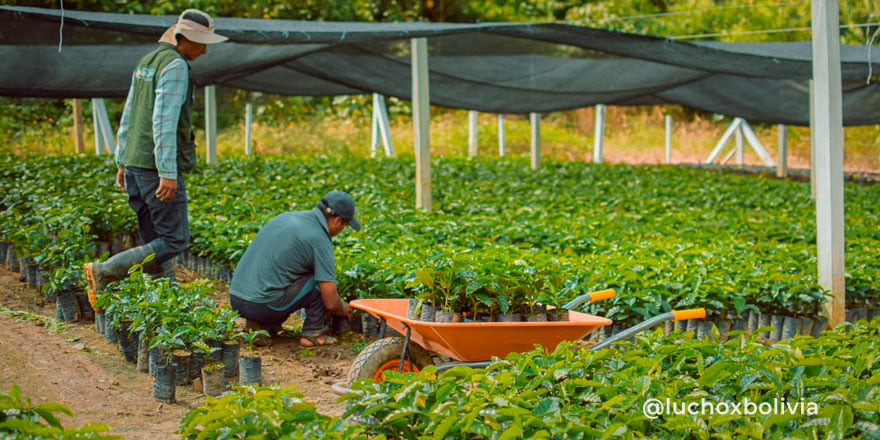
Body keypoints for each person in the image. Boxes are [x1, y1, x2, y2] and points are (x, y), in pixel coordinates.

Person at [84, 9, 227, 306]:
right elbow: (163, 122)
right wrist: (168, 172)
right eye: (201, 43)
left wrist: (122, 162)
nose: (204, 50)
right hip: (153, 168)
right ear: (183, 38)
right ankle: (105, 271)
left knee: (155, 242)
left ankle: (164, 300)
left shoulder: (147, 62)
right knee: (174, 240)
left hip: (137, 166)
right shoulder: (174, 66)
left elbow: (129, 115)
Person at [229, 191, 361, 346]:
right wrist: (345, 308)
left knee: (286, 277)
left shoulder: (287, 218)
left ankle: (264, 327)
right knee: (319, 282)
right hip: (261, 304)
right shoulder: (319, 239)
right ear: (337, 221)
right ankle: (314, 334)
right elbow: (330, 302)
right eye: (345, 225)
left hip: (237, 298)